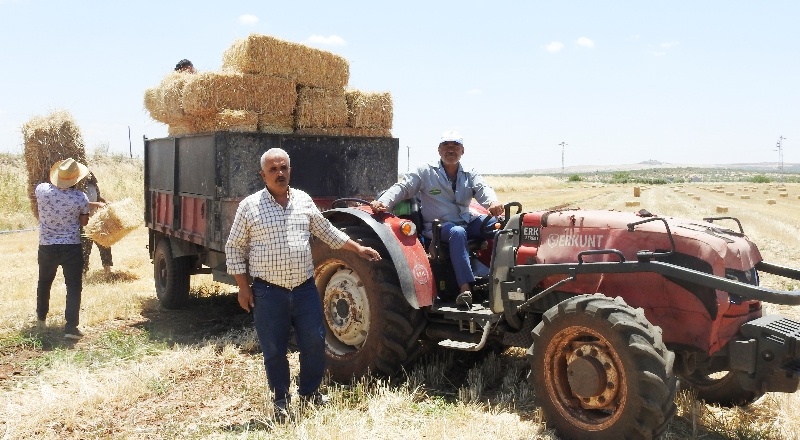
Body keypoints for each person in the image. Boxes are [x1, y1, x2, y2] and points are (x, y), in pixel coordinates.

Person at [225, 147, 382, 421]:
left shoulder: (303, 201)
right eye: (273, 169)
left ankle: (310, 393)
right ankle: (281, 399)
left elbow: (327, 232)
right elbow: (234, 248)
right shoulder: (250, 206)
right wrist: (243, 287)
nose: (279, 173)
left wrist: (358, 248)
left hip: (304, 289)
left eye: (283, 167)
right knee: (274, 350)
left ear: (290, 170)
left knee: (313, 343)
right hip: (268, 291)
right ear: (263, 175)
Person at [370, 130, 503, 307]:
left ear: (462, 150)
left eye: (455, 146)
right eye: (446, 146)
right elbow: (403, 187)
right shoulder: (425, 172)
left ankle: (501, 276)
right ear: (439, 150)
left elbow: (483, 188)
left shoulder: (469, 173)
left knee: (501, 225)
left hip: (466, 221)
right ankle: (465, 289)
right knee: (457, 233)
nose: (450, 149)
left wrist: (493, 202)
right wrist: (383, 202)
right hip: (439, 227)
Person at [35, 158, 93, 339]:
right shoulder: (80, 197)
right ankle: (71, 327)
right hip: (71, 246)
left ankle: (41, 318)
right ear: (75, 179)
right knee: (73, 286)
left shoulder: (42, 190)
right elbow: (83, 222)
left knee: (44, 282)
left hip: (47, 245)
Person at [82, 172, 113, 275]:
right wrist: (98, 204)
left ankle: (107, 271)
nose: (89, 176)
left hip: (95, 219)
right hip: (83, 220)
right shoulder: (77, 188)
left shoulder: (93, 186)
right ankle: (83, 273)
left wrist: (105, 201)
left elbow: (98, 196)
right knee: (85, 248)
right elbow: (79, 203)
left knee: (105, 244)